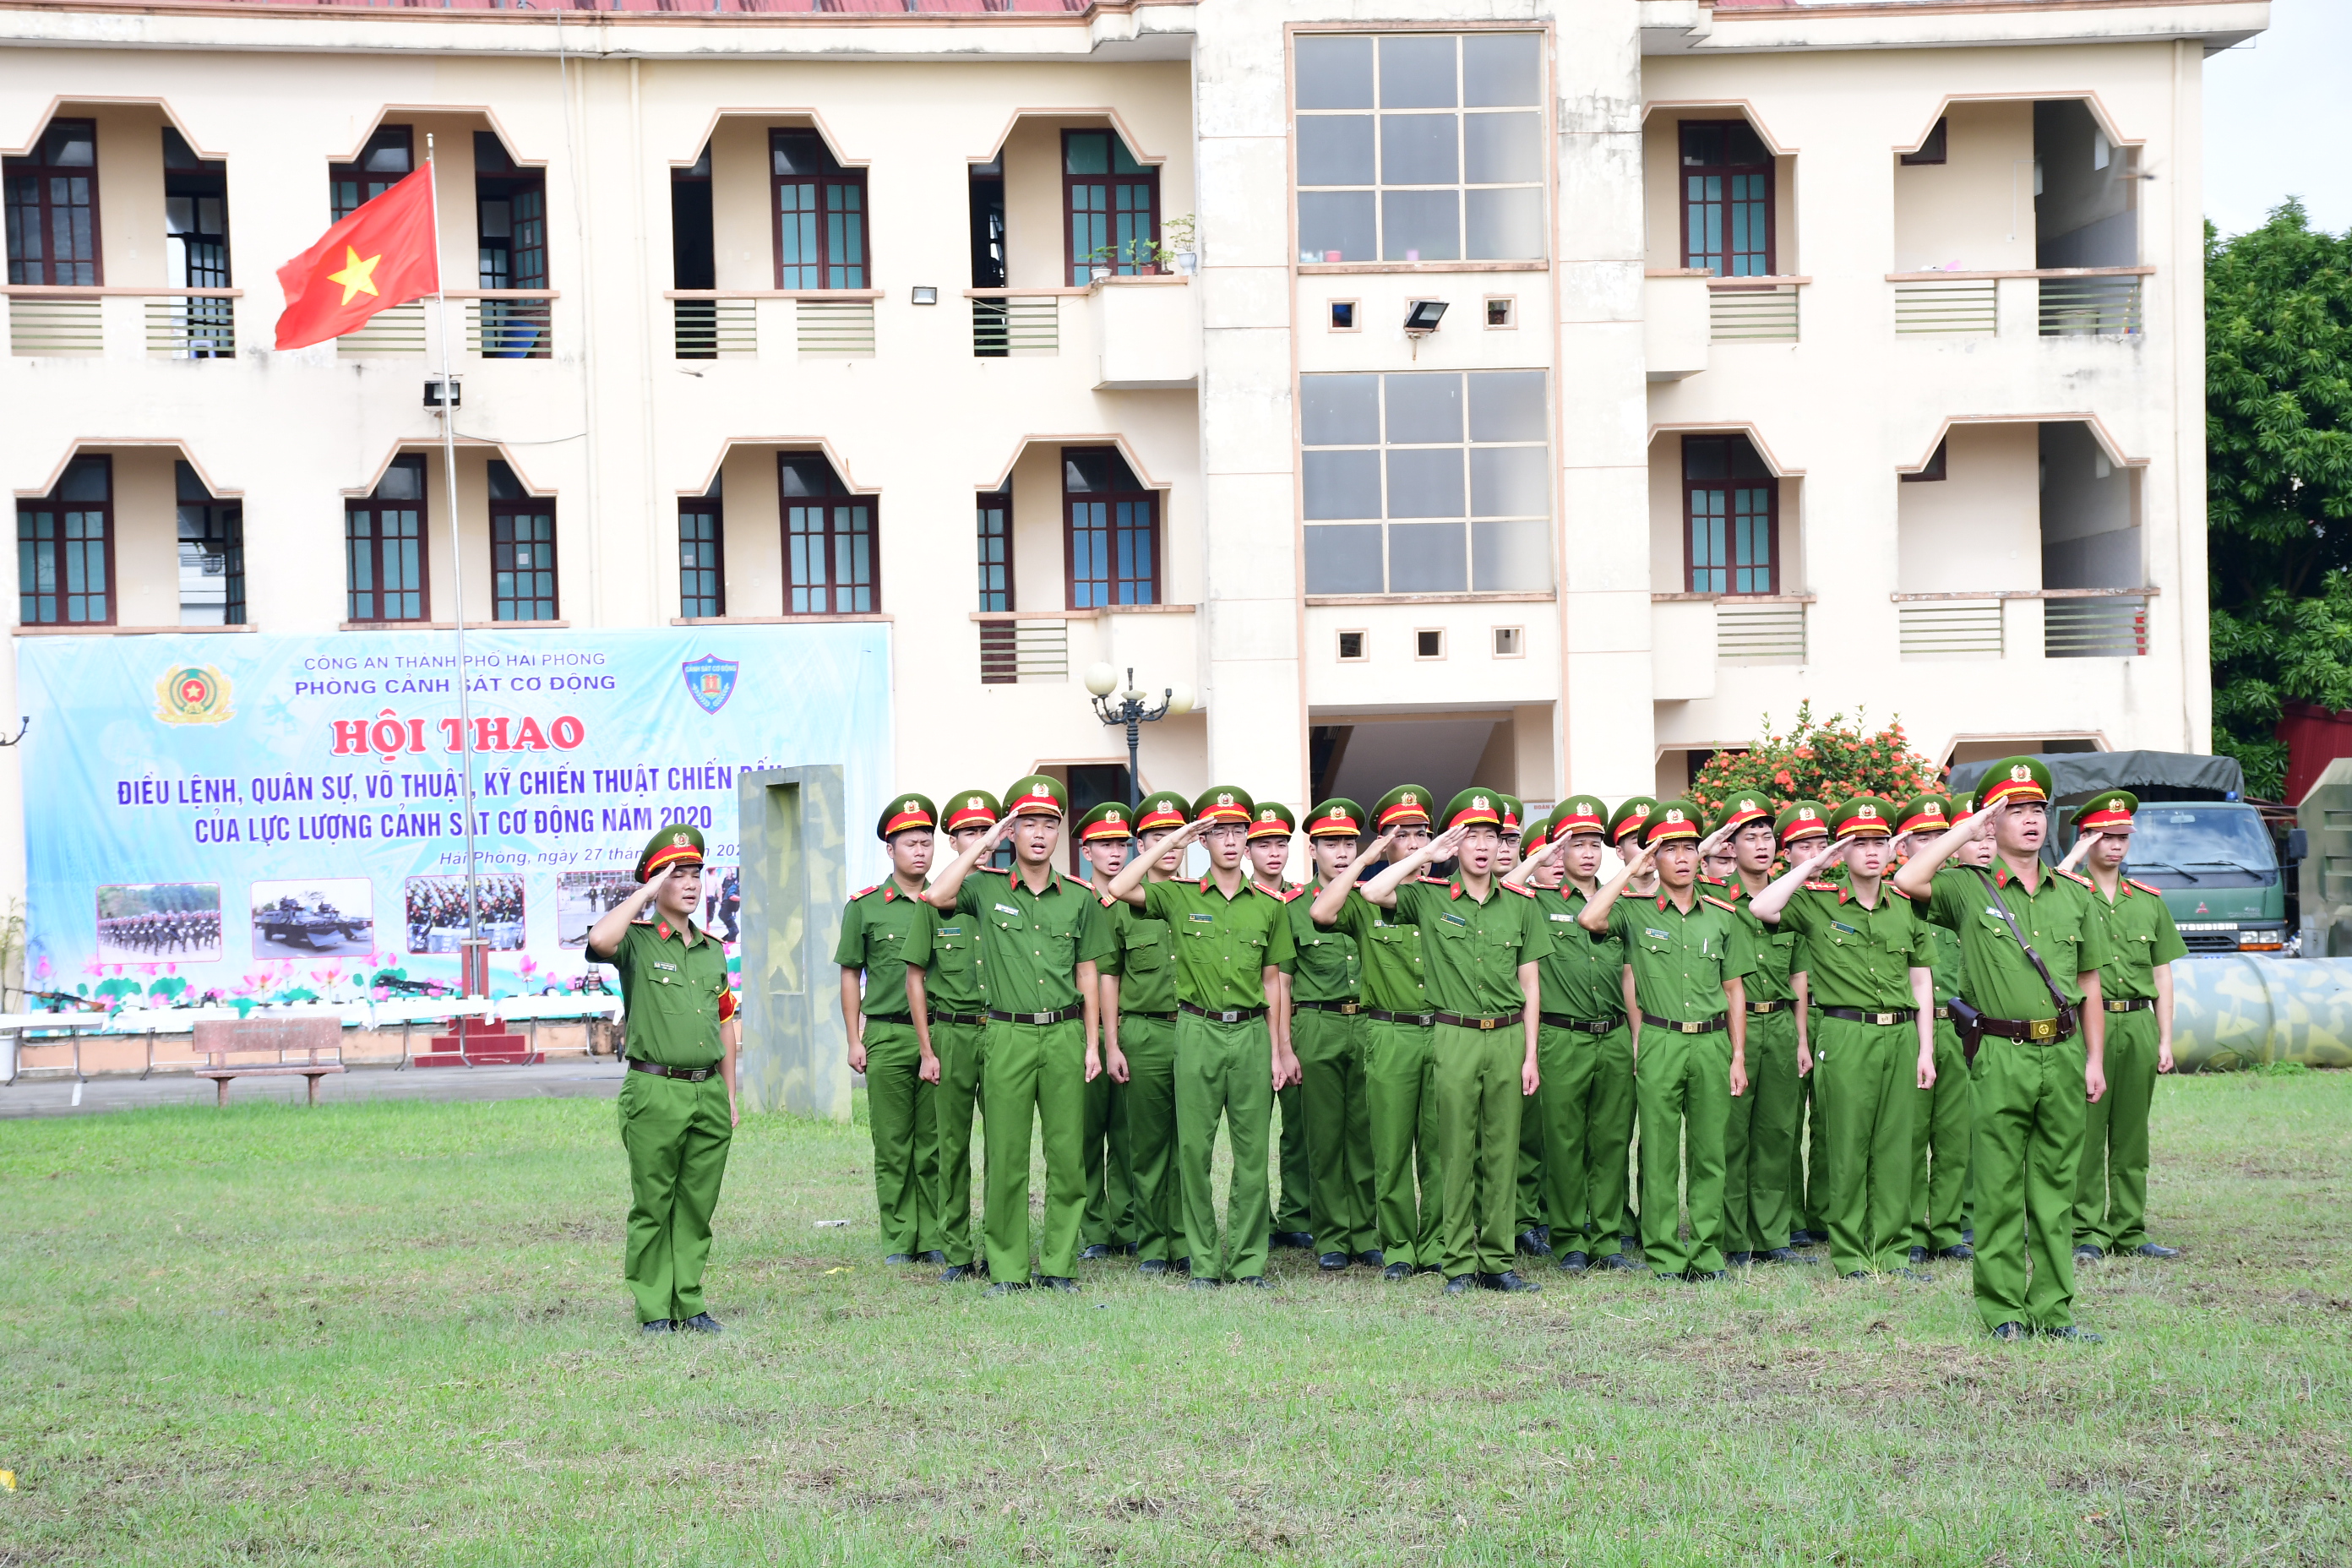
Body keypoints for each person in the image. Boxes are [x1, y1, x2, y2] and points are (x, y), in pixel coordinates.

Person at [1893, 757, 2111, 1341]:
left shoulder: (2074, 894)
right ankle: (2004, 1311)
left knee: (2056, 1189)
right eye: (2016, 810)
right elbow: (1907, 879)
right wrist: (1966, 829)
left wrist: (2094, 1059)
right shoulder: (1967, 889)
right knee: (1997, 1187)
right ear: (1993, 822)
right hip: (1998, 1052)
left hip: (2062, 1052)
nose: (2032, 819)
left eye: (2038, 808)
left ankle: (2054, 1311)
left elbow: (2089, 983)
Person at [1102, 786, 1300, 1288]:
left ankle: (1248, 1262)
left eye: (1238, 832)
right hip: (1197, 1030)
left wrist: (1278, 1050)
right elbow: (1120, 887)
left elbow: (1273, 982)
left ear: (1248, 838)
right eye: (1219, 833)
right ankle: (1204, 1263)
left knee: (1252, 1155)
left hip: (1251, 1033)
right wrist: (1177, 839)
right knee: (1194, 1153)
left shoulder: (1270, 905)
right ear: (1204, 841)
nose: (1230, 842)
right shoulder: (1179, 895)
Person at [922, 776, 1113, 1295]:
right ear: (1012, 830)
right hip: (1006, 1034)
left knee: (1067, 1157)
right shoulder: (984, 887)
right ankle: (1007, 1269)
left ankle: (1059, 1266)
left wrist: (1092, 1043)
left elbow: (1088, 972)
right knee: (1006, 1156)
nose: (1040, 834)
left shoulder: (1079, 897)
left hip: (1064, 1034)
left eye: (1049, 824)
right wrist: (987, 840)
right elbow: (936, 894)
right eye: (1028, 823)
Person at [1355, 788, 1549, 1295]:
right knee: (1456, 1152)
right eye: (1472, 836)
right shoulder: (1430, 896)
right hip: (1455, 1034)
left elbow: (1531, 985)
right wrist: (1425, 852)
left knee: (1502, 1152)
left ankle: (1498, 1261)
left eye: (1492, 836)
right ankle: (1459, 1263)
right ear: (1455, 844)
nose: (1483, 847)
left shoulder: (1521, 905)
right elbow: (1374, 893)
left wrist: (1530, 1054)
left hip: (1508, 1036)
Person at [1753, 796, 1937, 1281]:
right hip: (1845, 1032)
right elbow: (1762, 906)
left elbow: (1921, 980)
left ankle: (1893, 1252)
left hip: (1901, 1033)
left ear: (1892, 849)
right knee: (1848, 1145)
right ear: (1843, 851)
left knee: (1895, 1147)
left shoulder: (1906, 906)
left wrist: (1926, 1049)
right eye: (1860, 843)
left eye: (1880, 842)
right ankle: (1852, 1254)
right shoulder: (1816, 902)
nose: (1872, 852)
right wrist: (1813, 863)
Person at [1579, 799, 1752, 1282]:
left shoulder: (1723, 915)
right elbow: (1590, 919)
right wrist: (1631, 868)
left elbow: (1734, 990)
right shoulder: (1633, 912)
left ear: (1700, 855)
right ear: (1654, 858)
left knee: (1709, 1151)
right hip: (1659, 1039)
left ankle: (1707, 1252)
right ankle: (1664, 1254)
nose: (1681, 857)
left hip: (1713, 1043)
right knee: (1657, 1151)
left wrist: (1738, 1055)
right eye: (1669, 849)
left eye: (1689, 848)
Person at [590, 822, 740, 1335]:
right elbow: (599, 939)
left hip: (707, 1090)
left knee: (697, 1205)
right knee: (654, 1203)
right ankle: (655, 1309)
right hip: (655, 1089)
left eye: (696, 873)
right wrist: (646, 893)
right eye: (678, 874)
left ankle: (689, 1302)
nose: (691, 883)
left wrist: (729, 1094)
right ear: (656, 883)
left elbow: (725, 1024)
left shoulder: (712, 948)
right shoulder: (635, 941)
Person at [1309, 785, 1440, 1279]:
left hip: (1443, 1031)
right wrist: (1365, 859)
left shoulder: (1446, 897)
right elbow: (1322, 912)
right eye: (1402, 836)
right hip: (1389, 1031)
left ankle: (1437, 1245)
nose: (1414, 843)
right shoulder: (1366, 900)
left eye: (1421, 834)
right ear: (1386, 843)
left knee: (1439, 1149)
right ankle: (1400, 1248)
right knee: (1390, 1149)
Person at [1505, 795, 1636, 1272]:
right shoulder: (1536, 902)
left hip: (1614, 1035)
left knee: (1611, 1142)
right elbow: (1504, 887)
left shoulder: (1620, 901)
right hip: (1562, 1037)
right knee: (1562, 1144)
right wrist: (1541, 855)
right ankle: (1569, 1240)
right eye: (1575, 844)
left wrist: (1636, 1039)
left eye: (1594, 844)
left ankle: (1607, 1241)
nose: (1586, 853)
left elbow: (1630, 974)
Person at [2057, 791, 2186, 1262]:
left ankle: (2129, 1229)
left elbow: (2161, 974)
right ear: (2086, 839)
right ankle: (2087, 1232)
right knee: (2087, 1132)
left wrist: (2165, 1037)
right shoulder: (2069, 892)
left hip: (2137, 1023)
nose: (2114, 846)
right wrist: (2075, 853)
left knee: (2132, 1134)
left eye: (2122, 837)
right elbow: (2045, 890)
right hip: (2086, 1025)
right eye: (2104, 837)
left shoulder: (2147, 901)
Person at [833, 795, 945, 1266]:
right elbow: (849, 974)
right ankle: (900, 1238)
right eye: (910, 843)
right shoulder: (865, 907)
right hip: (886, 1034)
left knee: (934, 1143)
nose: (920, 851)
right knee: (893, 1143)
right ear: (890, 850)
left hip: (938, 1035)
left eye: (926, 843)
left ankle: (934, 1237)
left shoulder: (947, 900)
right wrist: (854, 1039)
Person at [1098, 792, 1195, 1275]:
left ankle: (1187, 1240)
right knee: (1148, 1144)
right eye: (1157, 838)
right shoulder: (1120, 907)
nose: (1168, 846)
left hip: (1194, 1029)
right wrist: (1112, 1043)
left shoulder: (1198, 898)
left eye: (1176, 836)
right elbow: (1109, 976)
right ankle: (1153, 1244)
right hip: (1144, 1032)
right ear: (1142, 845)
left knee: (1190, 1144)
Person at [906, 788, 1000, 1282]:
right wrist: (927, 1049)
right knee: (952, 1145)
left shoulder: (1008, 893)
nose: (979, 842)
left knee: (1003, 1145)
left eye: (987, 832)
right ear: (953, 841)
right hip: (954, 1033)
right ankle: (958, 1251)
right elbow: (915, 977)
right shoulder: (936, 899)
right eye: (969, 833)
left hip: (1003, 1031)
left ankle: (1001, 1247)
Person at [1708, 792, 1805, 1267]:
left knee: (1777, 1132)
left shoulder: (1791, 899)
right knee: (1731, 1133)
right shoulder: (1713, 898)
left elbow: (1799, 975)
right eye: (1750, 837)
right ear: (1731, 845)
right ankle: (1733, 1235)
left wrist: (1802, 1037)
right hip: (1734, 1025)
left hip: (1781, 1023)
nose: (1762, 845)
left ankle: (1772, 1235)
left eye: (1767, 836)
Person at [1287, 799, 1380, 1271]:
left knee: (1365, 1135)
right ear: (1313, 850)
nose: (1342, 853)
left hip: (1367, 1022)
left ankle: (1365, 1231)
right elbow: (1281, 981)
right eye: (1331, 844)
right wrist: (1285, 1046)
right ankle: (1331, 1237)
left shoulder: (1373, 898)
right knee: (1323, 1136)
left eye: (1348, 843)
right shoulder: (1293, 906)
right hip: (1317, 1023)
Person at [1893, 793, 1979, 1265]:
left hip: (1962, 1029)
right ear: (1904, 846)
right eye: (1922, 838)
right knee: (1909, 1135)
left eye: (1939, 837)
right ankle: (1909, 1230)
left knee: (1954, 1135)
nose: (1933, 846)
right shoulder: (1890, 900)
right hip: (1913, 1029)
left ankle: (1947, 1229)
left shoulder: (1965, 897)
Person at [1247, 800, 1316, 1251]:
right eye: (1264, 845)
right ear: (1247, 850)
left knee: (1298, 1129)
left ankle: (1296, 1215)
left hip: (1291, 1027)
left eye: (1281, 844)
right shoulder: (1234, 899)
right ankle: (1257, 1220)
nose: (1274, 853)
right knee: (1250, 1134)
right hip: (1245, 1027)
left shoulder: (1300, 902)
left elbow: (1287, 980)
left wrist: (1285, 1044)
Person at [1075, 801, 1141, 1262]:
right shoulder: (1075, 900)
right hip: (1082, 1032)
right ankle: (1095, 1228)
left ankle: (1129, 1222)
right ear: (1087, 851)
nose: (1115, 853)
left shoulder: (1141, 902)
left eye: (1121, 844)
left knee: (1127, 1133)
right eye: (1104, 844)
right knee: (1084, 1134)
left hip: (1130, 1031)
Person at [1773, 801, 1832, 1250]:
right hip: (1789, 1015)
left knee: (1832, 1121)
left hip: (1835, 1015)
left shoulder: (1844, 895)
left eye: (1821, 844)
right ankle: (1790, 1217)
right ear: (1787, 853)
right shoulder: (1776, 899)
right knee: (1785, 1123)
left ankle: (1826, 1215)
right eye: (1804, 846)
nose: (1814, 854)